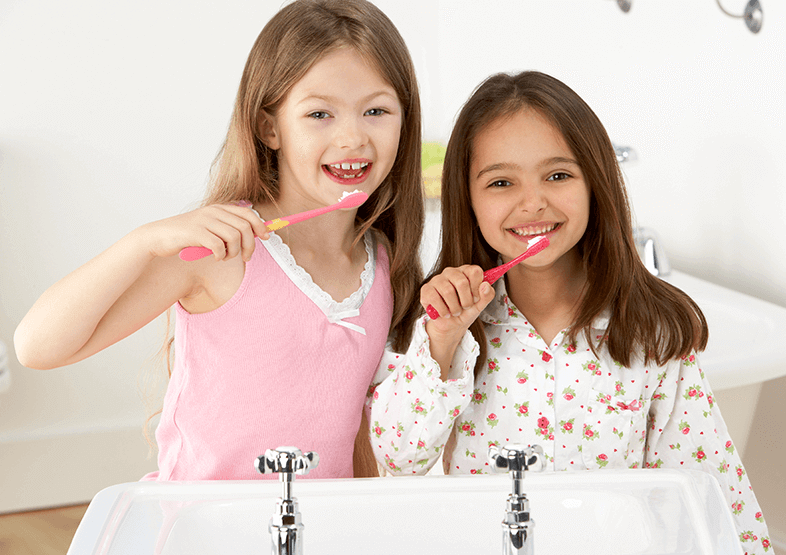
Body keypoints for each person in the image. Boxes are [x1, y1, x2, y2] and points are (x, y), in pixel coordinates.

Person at [14, 0, 424, 481]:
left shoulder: (384, 260)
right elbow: (37, 347)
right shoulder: (222, 249)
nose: (353, 137)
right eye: (320, 115)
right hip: (202, 529)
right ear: (270, 127)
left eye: (376, 110)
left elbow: (361, 435)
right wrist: (144, 241)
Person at [367, 71, 770, 552]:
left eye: (558, 175)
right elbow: (397, 459)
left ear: (595, 182)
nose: (532, 202)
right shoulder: (445, 325)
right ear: (467, 199)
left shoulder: (650, 333)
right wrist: (441, 343)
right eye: (500, 182)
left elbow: (714, 493)